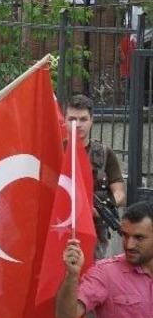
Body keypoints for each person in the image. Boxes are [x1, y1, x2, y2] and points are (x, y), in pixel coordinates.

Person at [64, 94, 126, 259]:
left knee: (93, 277)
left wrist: (102, 209)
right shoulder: (56, 150)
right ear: (64, 120)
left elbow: (120, 193)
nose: (78, 124)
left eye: (83, 119)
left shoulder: (104, 154)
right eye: (72, 119)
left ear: (92, 120)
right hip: (60, 227)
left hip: (94, 231)